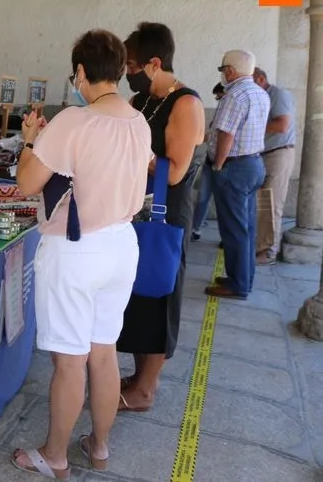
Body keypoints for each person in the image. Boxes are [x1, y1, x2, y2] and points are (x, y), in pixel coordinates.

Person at [11, 29, 151, 478]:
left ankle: (54, 457)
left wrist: (30, 138)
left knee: (70, 361)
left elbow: (28, 184)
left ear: (82, 72)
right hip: (121, 245)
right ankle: (100, 445)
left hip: (76, 250)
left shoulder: (75, 119)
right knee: (103, 351)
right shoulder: (138, 120)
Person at [116, 23, 206, 412]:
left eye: (132, 65)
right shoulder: (142, 101)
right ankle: (136, 376)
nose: (127, 73)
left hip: (166, 214)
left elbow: (174, 172)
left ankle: (146, 389)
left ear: (155, 63)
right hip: (136, 209)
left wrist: (137, 146)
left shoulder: (186, 103)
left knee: (161, 295)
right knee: (138, 296)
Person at [205, 50, 270, 299]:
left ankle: (237, 284)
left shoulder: (235, 94)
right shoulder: (259, 93)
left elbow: (226, 134)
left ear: (230, 71)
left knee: (234, 229)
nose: (223, 75)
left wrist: (219, 165)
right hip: (254, 164)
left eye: (223, 70)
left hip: (235, 168)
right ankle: (244, 277)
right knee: (247, 228)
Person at [253, 67, 296, 265]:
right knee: (264, 203)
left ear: (261, 79)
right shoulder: (261, 96)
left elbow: (282, 125)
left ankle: (269, 251)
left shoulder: (278, 95)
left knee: (272, 204)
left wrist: (252, 124)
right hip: (265, 154)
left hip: (278, 154)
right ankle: (262, 246)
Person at [191, 83, 226, 241]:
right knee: (202, 197)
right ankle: (196, 228)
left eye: (219, 96)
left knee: (224, 202)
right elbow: (211, 135)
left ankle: (225, 237)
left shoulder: (232, 109)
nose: (218, 99)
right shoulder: (221, 110)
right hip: (209, 161)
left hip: (223, 164)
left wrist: (218, 165)